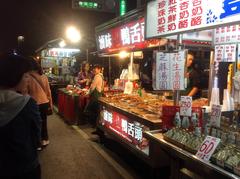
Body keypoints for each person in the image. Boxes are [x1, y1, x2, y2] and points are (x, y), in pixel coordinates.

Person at [0, 53, 41, 179]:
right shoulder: (27, 104)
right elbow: (36, 136)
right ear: (15, 76)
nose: (28, 80)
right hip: (25, 167)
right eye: (26, 76)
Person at [18, 58, 53, 148]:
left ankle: (38, 143)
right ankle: (45, 139)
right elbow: (48, 92)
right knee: (43, 122)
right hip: (45, 102)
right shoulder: (44, 76)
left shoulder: (26, 76)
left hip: (33, 103)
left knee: (34, 124)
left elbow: (24, 92)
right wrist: (50, 105)